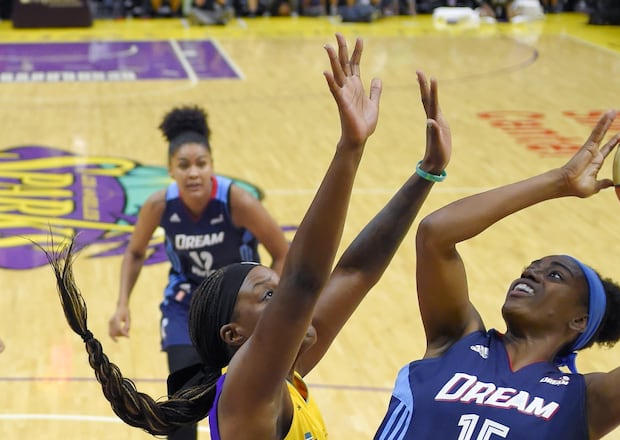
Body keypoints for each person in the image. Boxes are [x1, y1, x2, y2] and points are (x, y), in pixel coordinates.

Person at [47, 32, 452, 440]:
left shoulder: (286, 375)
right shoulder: (245, 392)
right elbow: (304, 280)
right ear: (234, 335)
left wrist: (427, 172)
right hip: (182, 306)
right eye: (271, 296)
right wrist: (350, 147)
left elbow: (355, 272)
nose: (293, 302)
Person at [374, 109, 620, 439]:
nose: (533, 274)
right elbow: (436, 234)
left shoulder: (583, 400)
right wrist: (558, 182)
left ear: (579, 320)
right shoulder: (457, 340)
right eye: (531, 269)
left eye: (554, 275)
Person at [107, 104, 289, 439]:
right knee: (181, 407)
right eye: (184, 165)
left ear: (212, 167)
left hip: (237, 310)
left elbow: (282, 253)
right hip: (184, 306)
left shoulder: (237, 201)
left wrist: (272, 304)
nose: (193, 173)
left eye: (201, 164)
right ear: (170, 170)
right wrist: (122, 304)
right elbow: (134, 253)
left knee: (253, 399)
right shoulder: (159, 205)